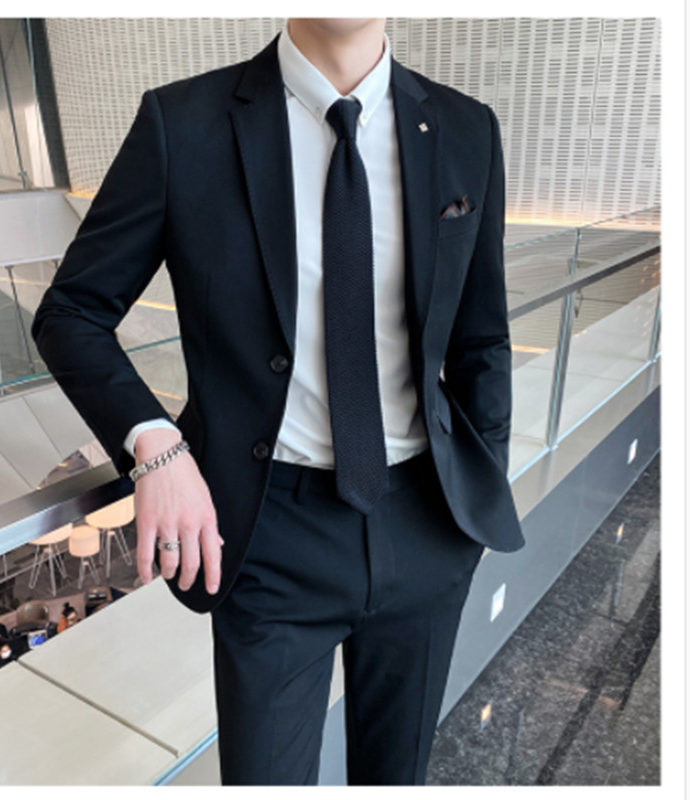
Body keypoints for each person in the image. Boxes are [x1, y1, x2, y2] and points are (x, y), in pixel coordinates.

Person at [32, 18, 525, 785]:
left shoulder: (466, 128)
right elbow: (71, 313)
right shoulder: (183, 123)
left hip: (428, 524)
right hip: (269, 537)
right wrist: (155, 443)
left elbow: (481, 340)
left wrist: (478, 491)